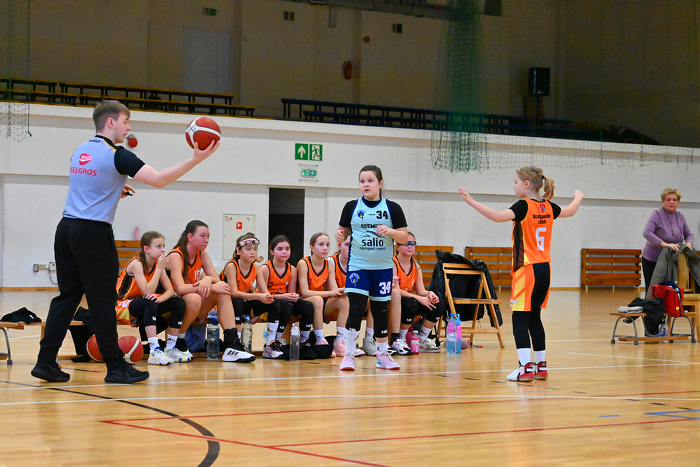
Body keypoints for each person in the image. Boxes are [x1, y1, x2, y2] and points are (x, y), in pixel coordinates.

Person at [32, 100, 220, 384]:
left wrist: (114, 187)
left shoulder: (80, 150)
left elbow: (89, 183)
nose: (128, 127)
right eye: (125, 121)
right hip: (93, 233)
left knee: (66, 298)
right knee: (103, 301)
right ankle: (116, 367)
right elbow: (159, 179)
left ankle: (45, 362)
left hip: (67, 229)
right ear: (111, 122)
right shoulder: (118, 155)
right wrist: (195, 159)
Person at [459, 166, 583, 382]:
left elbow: (498, 217)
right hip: (545, 269)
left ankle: (525, 368)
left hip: (527, 269)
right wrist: (578, 196)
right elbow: (571, 211)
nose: (513, 186)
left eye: (515, 182)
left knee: (519, 318)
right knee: (535, 317)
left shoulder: (523, 206)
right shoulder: (548, 206)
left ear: (526, 184)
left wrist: (471, 202)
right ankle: (541, 366)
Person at [336, 165, 409, 371]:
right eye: (362, 181)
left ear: (380, 183)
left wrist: (390, 231)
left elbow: (404, 237)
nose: (365, 185)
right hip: (358, 267)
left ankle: (382, 355)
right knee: (356, 309)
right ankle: (349, 355)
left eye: (370, 181)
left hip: (383, 268)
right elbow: (342, 232)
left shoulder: (392, 207)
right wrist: (339, 236)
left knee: (380, 311)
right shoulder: (351, 206)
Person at [167, 220, 255, 363]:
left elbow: (218, 282)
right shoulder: (176, 255)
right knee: (195, 298)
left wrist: (208, 279)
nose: (206, 240)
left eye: (208, 236)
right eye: (202, 236)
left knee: (223, 291)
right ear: (190, 237)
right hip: (173, 306)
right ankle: (179, 340)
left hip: (193, 307)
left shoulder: (202, 254)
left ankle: (231, 344)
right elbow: (180, 288)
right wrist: (211, 285)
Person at [115, 231, 187, 365]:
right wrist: (159, 269)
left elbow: (170, 291)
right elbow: (147, 291)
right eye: (158, 246)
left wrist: (160, 299)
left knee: (178, 302)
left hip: (143, 302)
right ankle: (154, 349)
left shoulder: (157, 265)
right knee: (149, 302)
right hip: (121, 304)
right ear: (146, 249)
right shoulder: (137, 263)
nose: (163, 250)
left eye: (163, 246)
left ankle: (171, 347)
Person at [220, 233, 281, 359]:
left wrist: (267, 297)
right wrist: (258, 296)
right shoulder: (232, 266)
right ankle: (236, 342)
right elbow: (234, 292)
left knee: (274, 303)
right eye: (248, 249)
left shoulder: (256, 268)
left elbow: (264, 290)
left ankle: (270, 344)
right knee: (237, 300)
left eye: (255, 249)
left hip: (245, 303)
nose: (253, 252)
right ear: (239, 251)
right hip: (226, 306)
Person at [392, 232, 443, 353]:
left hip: (411, 300)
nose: (410, 246)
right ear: (397, 247)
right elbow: (396, 290)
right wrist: (420, 298)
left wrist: (429, 294)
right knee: (411, 302)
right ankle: (401, 338)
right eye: (406, 243)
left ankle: (422, 338)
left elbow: (421, 291)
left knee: (438, 303)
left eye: (412, 243)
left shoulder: (416, 266)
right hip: (395, 302)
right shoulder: (392, 263)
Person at [260, 236, 315, 346]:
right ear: (272, 251)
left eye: (287, 249)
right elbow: (263, 295)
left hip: (285, 301)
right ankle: (276, 340)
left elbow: (291, 293)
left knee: (308, 305)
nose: (284, 252)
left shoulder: (292, 269)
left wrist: (294, 296)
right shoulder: (265, 268)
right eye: (280, 249)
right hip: (267, 302)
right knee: (284, 305)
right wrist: (283, 296)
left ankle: (304, 341)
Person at [297, 232, 347, 346]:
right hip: (304, 302)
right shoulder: (303, 263)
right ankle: (320, 338)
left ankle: (340, 340)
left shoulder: (329, 264)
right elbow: (305, 292)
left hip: (321, 302)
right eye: (321, 244)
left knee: (344, 300)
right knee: (318, 299)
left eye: (327, 245)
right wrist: (332, 292)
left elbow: (334, 290)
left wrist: (343, 291)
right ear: (312, 247)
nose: (325, 248)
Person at [642, 188, 694, 294]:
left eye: (674, 200)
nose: (671, 202)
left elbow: (689, 234)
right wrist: (664, 244)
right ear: (663, 201)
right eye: (668, 199)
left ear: (678, 202)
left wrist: (689, 244)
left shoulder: (680, 216)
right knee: (653, 291)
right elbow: (647, 232)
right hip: (653, 259)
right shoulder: (657, 214)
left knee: (669, 290)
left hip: (672, 260)